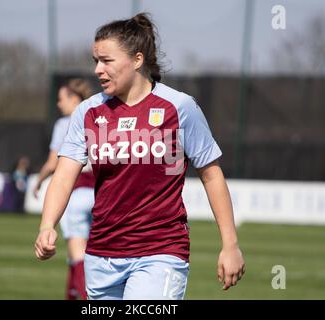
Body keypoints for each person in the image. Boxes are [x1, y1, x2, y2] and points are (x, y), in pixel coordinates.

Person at [35, 13, 245, 300]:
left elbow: (212, 175)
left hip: (161, 252)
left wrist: (230, 244)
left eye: (107, 60)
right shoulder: (88, 112)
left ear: (137, 59)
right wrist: (47, 225)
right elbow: (63, 176)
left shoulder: (179, 107)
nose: (98, 69)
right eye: (95, 60)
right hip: (101, 255)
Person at [33, 79, 95, 300]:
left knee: (77, 253)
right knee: (83, 255)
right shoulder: (98, 116)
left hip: (75, 194)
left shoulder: (65, 123)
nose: (59, 104)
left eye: (61, 99)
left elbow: (53, 163)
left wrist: (39, 180)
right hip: (99, 194)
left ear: (74, 99)